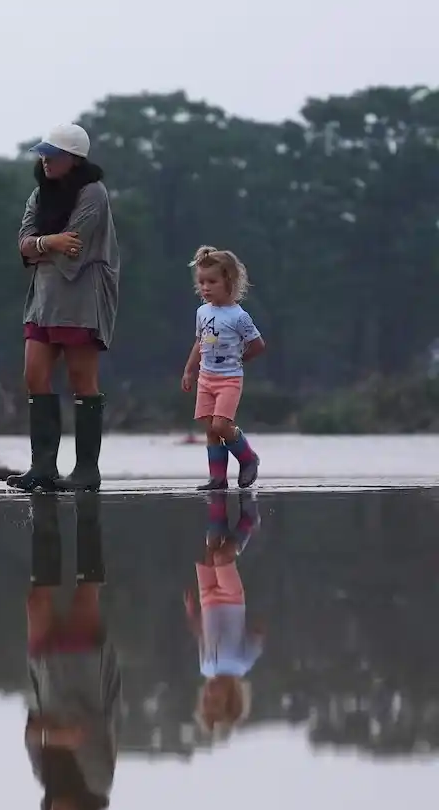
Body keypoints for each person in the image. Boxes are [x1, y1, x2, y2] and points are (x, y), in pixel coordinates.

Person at [7, 124, 120, 494]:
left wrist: (43, 246)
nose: (45, 160)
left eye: (52, 154)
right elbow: (24, 244)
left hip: (81, 296)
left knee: (81, 380)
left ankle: (87, 469)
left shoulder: (93, 194)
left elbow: (75, 245)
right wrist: (46, 243)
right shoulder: (39, 196)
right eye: (43, 153)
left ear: (73, 159)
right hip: (42, 299)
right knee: (34, 375)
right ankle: (43, 467)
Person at [24, 494, 121, 810]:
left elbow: (30, 734)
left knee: (36, 602)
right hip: (85, 674)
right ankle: (88, 508)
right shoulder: (98, 781)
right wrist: (53, 734)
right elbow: (84, 730)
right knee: (86, 592)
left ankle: (44, 511)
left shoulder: (44, 777)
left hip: (47, 677)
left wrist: (48, 733)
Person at [181, 246, 265, 490]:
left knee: (221, 425)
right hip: (206, 378)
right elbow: (200, 342)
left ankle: (248, 458)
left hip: (229, 379)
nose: (205, 287)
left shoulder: (239, 316)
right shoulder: (202, 312)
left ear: (228, 280)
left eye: (212, 281)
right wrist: (189, 370)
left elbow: (258, 344)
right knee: (210, 429)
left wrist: (242, 359)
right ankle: (217, 478)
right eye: (202, 282)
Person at [185, 492, 263, 743]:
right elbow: (258, 637)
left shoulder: (206, 667)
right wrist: (255, 627)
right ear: (231, 697)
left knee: (211, 548)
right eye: (215, 700)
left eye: (206, 699)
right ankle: (249, 521)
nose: (209, 694)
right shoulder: (242, 664)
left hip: (208, 600)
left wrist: (191, 612)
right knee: (222, 557)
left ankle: (217, 502)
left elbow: (202, 635)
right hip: (231, 600)